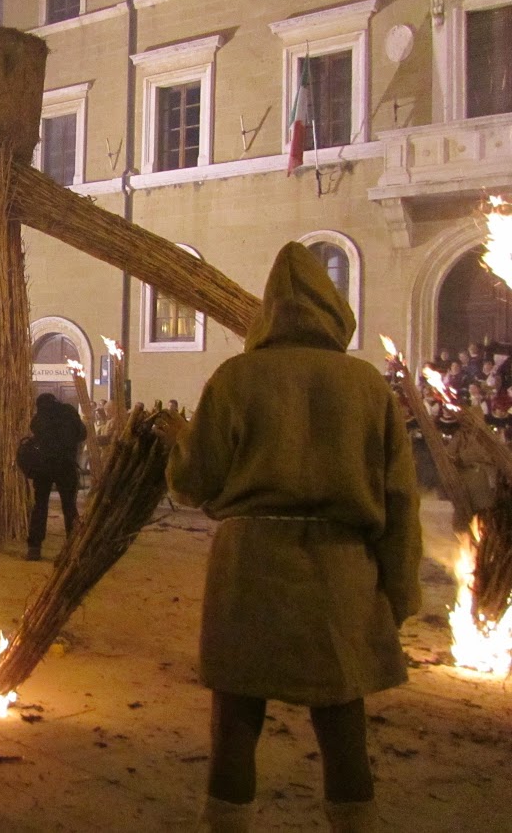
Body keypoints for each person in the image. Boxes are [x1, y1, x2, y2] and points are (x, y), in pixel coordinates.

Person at [165, 243, 422, 832]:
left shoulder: (235, 378)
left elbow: (193, 481)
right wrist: (400, 593)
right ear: (333, 310)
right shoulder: (366, 386)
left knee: (235, 719)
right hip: (340, 573)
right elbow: (401, 501)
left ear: (269, 311)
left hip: (249, 569)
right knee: (341, 722)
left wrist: (181, 445)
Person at [24, 392, 87, 561]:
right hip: (66, 466)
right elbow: (82, 434)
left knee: (40, 506)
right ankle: (73, 546)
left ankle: (34, 547)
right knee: (69, 507)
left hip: (44, 468)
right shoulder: (69, 412)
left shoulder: (39, 419)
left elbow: (34, 431)